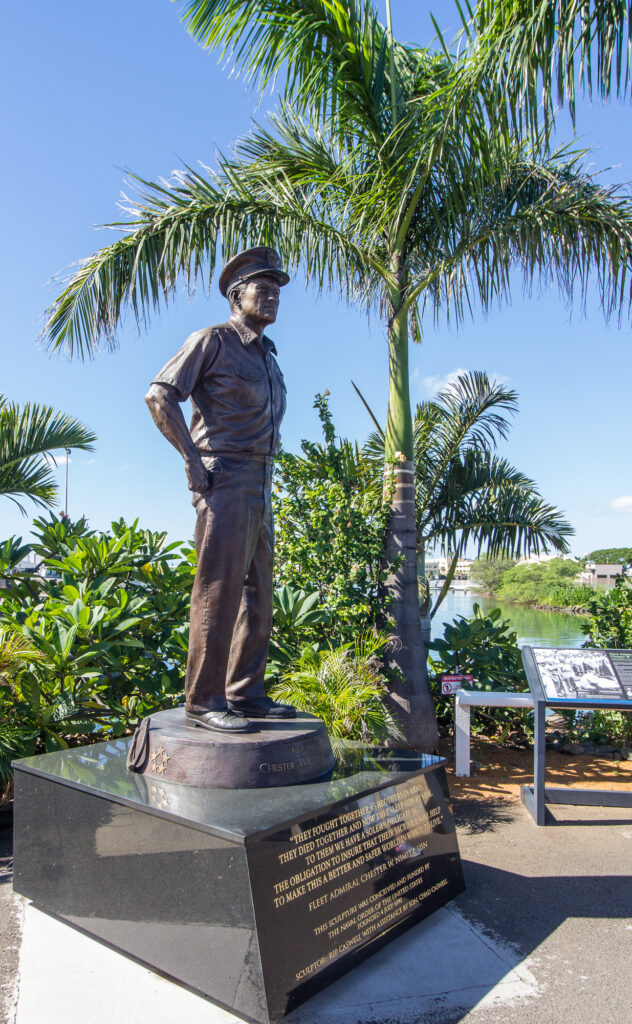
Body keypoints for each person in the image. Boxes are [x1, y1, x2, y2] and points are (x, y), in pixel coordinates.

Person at [145, 246, 296, 734]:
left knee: (258, 596)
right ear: (237, 294)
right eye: (263, 289)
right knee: (218, 591)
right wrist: (192, 460)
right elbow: (160, 394)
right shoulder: (212, 340)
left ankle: (245, 693)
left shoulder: (269, 357)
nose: (272, 297)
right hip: (224, 476)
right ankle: (204, 699)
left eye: (277, 291)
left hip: (260, 480)